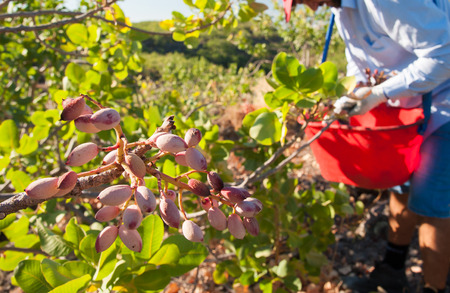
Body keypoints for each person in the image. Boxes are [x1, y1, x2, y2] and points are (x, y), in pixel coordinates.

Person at [283, 0, 450, 292]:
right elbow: (359, 64)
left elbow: (444, 54)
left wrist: (380, 93)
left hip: (444, 104)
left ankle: (434, 287)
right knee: (400, 184)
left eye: (300, 0)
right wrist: (355, 93)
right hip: (404, 112)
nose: (308, 9)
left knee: (432, 207)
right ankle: (392, 272)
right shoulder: (341, 9)